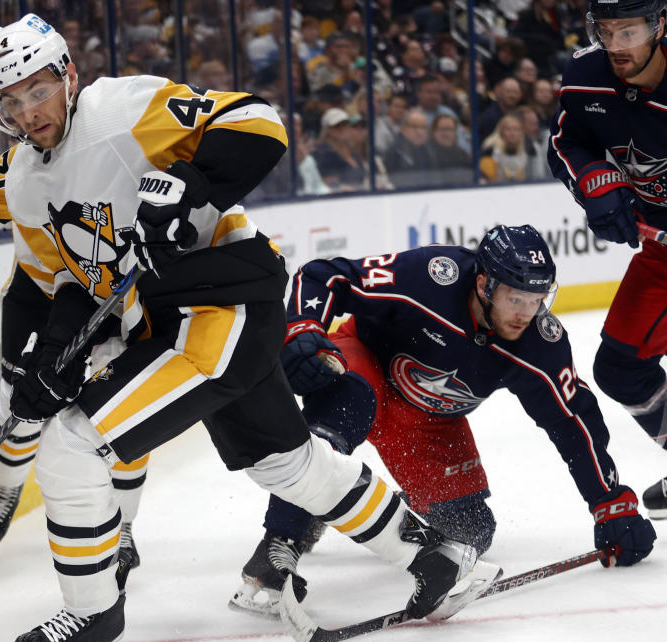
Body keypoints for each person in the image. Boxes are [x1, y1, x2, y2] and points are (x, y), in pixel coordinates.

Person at [0, 13, 500, 642]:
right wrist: (47, 358)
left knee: (72, 441)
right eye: (11, 99)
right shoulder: (29, 182)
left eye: (38, 89)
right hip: (181, 316)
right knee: (286, 465)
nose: (29, 110)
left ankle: (92, 615)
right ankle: (431, 553)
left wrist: (190, 186)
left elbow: (261, 123)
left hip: (225, 297)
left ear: (68, 76)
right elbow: (69, 280)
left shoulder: (120, 111)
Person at [230, 226, 657, 617]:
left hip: (429, 422)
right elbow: (326, 275)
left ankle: (352, 501)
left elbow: (572, 423)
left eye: (536, 299)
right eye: (516, 298)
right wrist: (303, 327)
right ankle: (280, 542)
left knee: (473, 532)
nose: (526, 313)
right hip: (367, 366)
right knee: (345, 410)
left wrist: (609, 501)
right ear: (484, 283)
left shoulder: (539, 345)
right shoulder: (433, 277)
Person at [547, 0, 667, 520]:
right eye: (607, 31)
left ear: (660, 25)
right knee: (620, 370)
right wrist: (594, 183)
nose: (616, 46)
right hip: (661, 255)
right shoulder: (586, 75)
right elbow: (566, 142)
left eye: (630, 32)